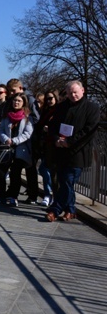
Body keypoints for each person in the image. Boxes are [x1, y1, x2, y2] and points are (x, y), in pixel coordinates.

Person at [46, 81, 100, 222]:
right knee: (65, 182)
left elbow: (89, 130)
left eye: (75, 92)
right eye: (70, 93)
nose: (73, 95)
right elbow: (52, 126)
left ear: (83, 90)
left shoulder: (92, 108)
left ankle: (55, 210)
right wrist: (57, 139)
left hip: (78, 152)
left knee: (67, 180)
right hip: (60, 151)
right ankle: (70, 210)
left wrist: (69, 142)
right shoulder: (62, 107)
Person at [5, 78, 40, 204]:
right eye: (10, 92)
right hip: (14, 141)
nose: (11, 94)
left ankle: (33, 194)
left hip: (28, 141)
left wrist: (25, 126)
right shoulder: (11, 101)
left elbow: (36, 118)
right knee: (15, 170)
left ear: (21, 88)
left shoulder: (30, 100)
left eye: (13, 91)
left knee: (30, 170)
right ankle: (13, 193)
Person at [0, 93, 34, 206]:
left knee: (15, 174)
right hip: (6, 148)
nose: (16, 103)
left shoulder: (27, 117)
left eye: (19, 101)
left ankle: (13, 196)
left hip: (20, 150)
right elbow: (1, 130)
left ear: (23, 103)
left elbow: (27, 134)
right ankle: (2, 195)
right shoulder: (6, 116)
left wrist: (15, 141)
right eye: (14, 100)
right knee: (1, 173)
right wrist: (6, 139)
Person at [35, 90, 59, 207]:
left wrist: (50, 129)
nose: (49, 101)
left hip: (54, 145)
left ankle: (52, 196)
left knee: (50, 172)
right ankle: (48, 194)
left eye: (51, 98)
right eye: (47, 99)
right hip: (44, 144)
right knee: (44, 170)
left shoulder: (59, 111)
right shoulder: (44, 111)